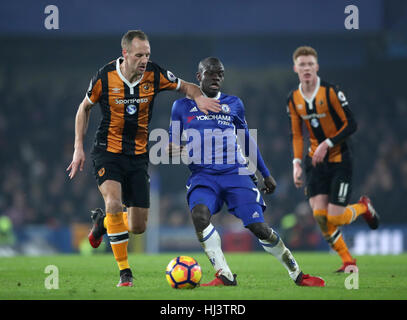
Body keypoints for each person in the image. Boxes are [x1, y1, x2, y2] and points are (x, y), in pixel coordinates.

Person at [66, 30, 221, 287]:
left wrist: (200, 99)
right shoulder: (105, 77)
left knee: (138, 226)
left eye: (147, 54)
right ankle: (125, 272)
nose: (144, 59)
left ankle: (102, 222)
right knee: (114, 202)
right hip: (108, 152)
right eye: (139, 55)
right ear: (125, 54)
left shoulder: (155, 74)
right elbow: (84, 108)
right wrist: (78, 147)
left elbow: (188, 87)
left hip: (138, 156)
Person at [167, 56, 325, 287]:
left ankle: (298, 274)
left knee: (259, 228)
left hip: (236, 173)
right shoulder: (180, 107)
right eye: (211, 73)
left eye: (220, 73)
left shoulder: (234, 104)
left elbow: (247, 141)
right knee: (199, 216)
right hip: (203, 176)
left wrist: (265, 172)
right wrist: (182, 148)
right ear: (199, 76)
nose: (216, 77)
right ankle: (224, 275)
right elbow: (170, 146)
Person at [286, 46, 380, 272]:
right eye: (302, 64)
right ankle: (348, 261)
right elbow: (298, 134)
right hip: (315, 162)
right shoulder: (293, 98)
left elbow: (352, 124)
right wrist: (296, 163)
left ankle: (363, 207)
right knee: (320, 217)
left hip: (339, 158)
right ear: (295, 68)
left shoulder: (331, 92)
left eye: (310, 64)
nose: (306, 68)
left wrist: (328, 143)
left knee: (335, 218)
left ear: (317, 67)